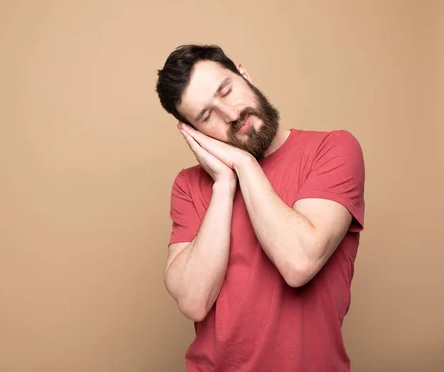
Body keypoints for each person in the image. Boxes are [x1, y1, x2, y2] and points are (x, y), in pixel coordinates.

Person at [154, 44, 366, 372]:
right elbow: (194, 301)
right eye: (207, 115)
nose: (231, 113)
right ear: (196, 134)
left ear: (245, 75)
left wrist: (242, 163)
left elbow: (299, 261)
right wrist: (224, 185)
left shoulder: (332, 149)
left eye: (227, 90)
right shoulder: (188, 185)